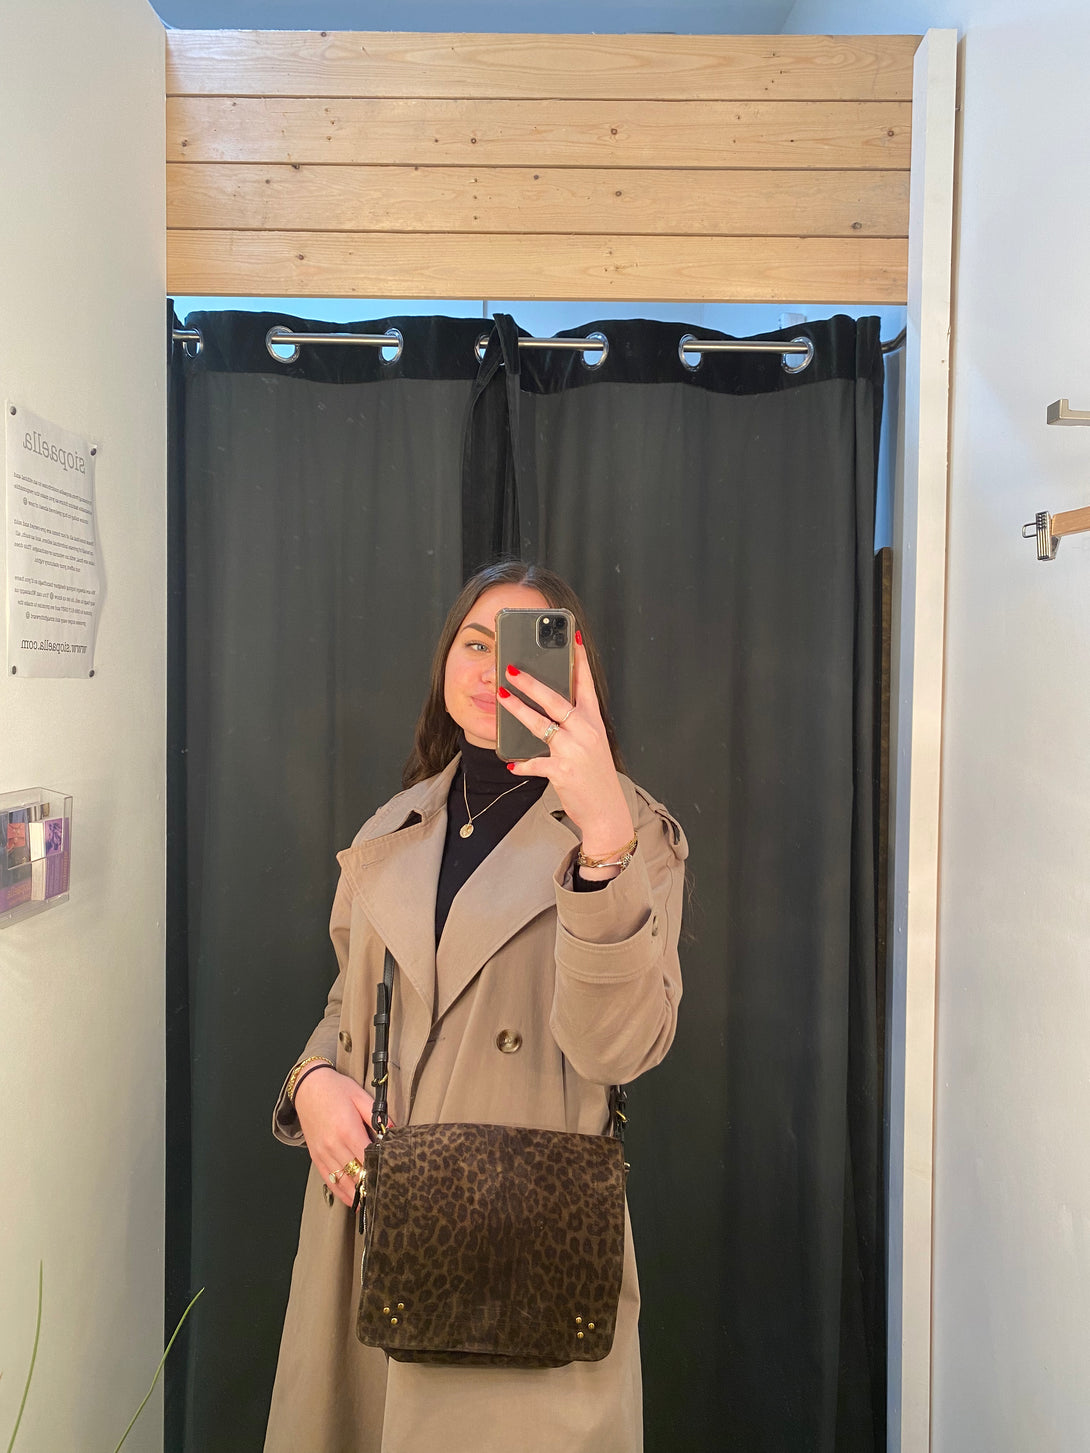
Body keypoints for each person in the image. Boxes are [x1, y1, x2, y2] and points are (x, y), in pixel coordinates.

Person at [264, 561, 687, 1453]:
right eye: (474, 642)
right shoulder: (393, 826)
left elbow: (618, 1048)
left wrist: (603, 841)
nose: (492, 669)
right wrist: (312, 1081)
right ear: (444, 662)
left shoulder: (630, 830)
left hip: (518, 1249)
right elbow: (347, 999)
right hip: (372, 1230)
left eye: (523, 649)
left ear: (571, 671)